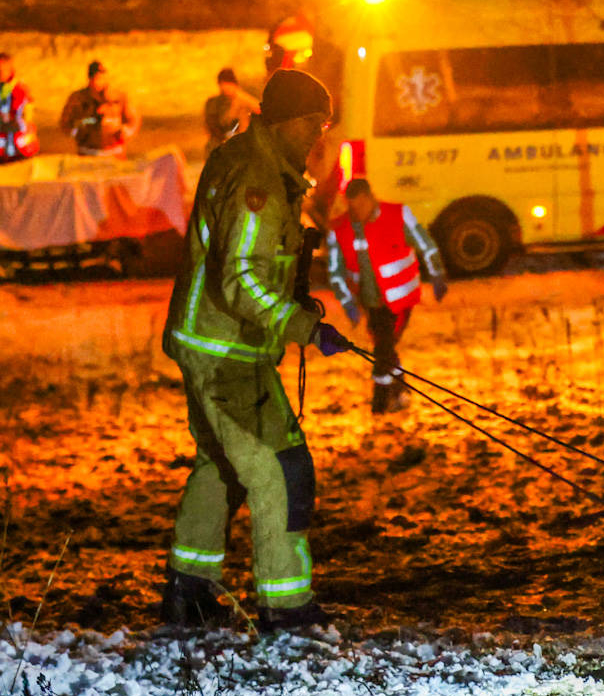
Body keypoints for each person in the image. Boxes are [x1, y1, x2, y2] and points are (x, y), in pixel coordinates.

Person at [161, 69, 350, 631]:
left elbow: (253, 264)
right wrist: (301, 325)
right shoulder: (258, 178)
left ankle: (188, 592)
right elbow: (241, 279)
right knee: (280, 468)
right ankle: (285, 607)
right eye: (314, 124)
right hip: (227, 352)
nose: (318, 136)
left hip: (211, 341)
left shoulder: (253, 161)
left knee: (221, 466)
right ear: (288, 121)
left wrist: (295, 298)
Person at [325, 178, 448, 413]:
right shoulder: (340, 229)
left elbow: (425, 244)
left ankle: (381, 401)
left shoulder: (398, 214)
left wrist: (437, 274)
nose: (358, 212)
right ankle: (397, 393)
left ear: (370, 198)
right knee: (385, 348)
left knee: (384, 348)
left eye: (361, 205)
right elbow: (335, 271)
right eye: (353, 207)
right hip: (371, 303)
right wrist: (348, 302)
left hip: (401, 299)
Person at [58, 60, 140, 157]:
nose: (98, 82)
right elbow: (65, 123)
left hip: (115, 153)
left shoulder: (119, 97)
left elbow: (133, 120)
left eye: (101, 78)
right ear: (90, 79)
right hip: (87, 152)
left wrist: (125, 131)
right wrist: (77, 132)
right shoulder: (78, 98)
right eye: (95, 78)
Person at [0, 52, 38, 165]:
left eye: (4, 69)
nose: (0, 72)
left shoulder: (22, 90)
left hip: (23, 151)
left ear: (11, 69)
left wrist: (16, 123)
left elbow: (28, 116)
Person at [203, 68, 261, 152]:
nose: (225, 89)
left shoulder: (243, 99)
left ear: (234, 85)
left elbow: (261, 111)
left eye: (227, 85)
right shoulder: (216, 102)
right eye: (222, 85)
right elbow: (212, 125)